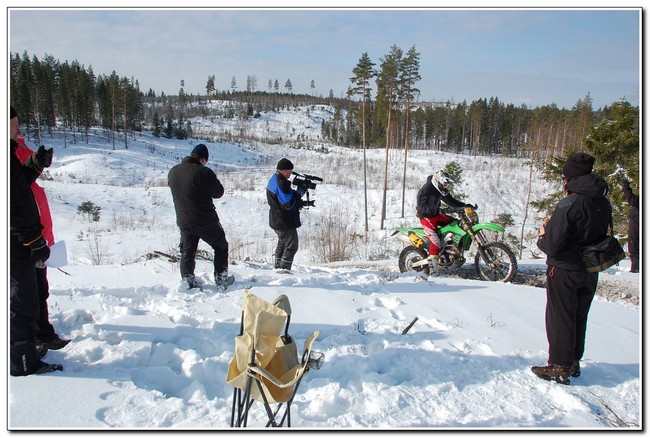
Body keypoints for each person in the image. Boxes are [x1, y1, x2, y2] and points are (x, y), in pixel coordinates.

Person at [532, 152, 611, 385]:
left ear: (569, 177)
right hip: (591, 268)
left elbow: (552, 245)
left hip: (565, 268)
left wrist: (543, 234)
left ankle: (559, 365)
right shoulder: (602, 201)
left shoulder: (570, 203)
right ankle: (574, 361)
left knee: (560, 317)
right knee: (579, 316)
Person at [9, 105, 63, 376]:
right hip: (17, 245)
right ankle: (23, 362)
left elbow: (18, 183)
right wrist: (34, 240)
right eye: (14, 124)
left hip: (21, 244)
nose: (19, 130)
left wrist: (34, 163)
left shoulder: (8, 157)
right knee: (21, 305)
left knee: (30, 300)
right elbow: (12, 206)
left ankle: (30, 350)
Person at [15, 135, 71, 352]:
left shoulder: (29, 183)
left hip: (38, 240)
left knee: (39, 291)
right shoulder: (15, 169)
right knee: (30, 295)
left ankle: (42, 333)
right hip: (27, 242)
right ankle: (38, 337)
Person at [168, 144, 234, 291]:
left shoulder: (173, 172)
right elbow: (218, 192)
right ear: (203, 159)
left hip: (184, 219)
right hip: (205, 220)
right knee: (221, 246)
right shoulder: (203, 172)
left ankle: (187, 281)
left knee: (187, 251)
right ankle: (221, 279)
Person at [415, 169, 475, 273]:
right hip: (426, 217)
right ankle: (433, 270)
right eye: (445, 183)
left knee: (455, 224)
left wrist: (465, 206)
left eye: (447, 184)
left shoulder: (440, 190)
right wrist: (439, 210)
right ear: (438, 181)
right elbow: (421, 207)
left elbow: (451, 201)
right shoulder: (426, 189)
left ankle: (450, 250)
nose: (446, 186)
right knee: (435, 241)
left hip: (437, 215)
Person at [266, 158, 307, 272]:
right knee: (291, 246)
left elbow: (285, 196)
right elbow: (288, 204)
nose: (290, 174)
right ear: (284, 171)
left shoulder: (274, 179)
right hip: (283, 221)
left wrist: (296, 194)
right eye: (290, 171)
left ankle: (278, 267)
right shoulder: (281, 182)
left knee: (283, 243)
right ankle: (283, 271)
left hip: (276, 218)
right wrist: (299, 194)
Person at [619, 177, 639, 273]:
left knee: (634, 244)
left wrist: (626, 188)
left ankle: (635, 269)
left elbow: (633, 201)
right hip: (636, 217)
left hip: (637, 219)